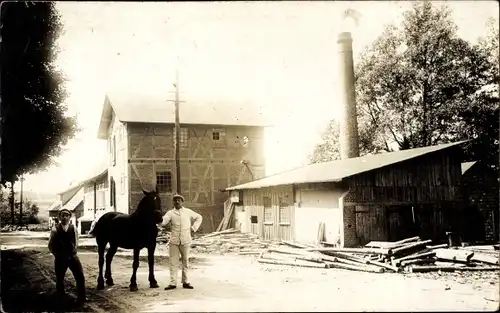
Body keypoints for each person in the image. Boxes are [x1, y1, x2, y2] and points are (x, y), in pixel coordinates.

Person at [161, 194, 202, 290]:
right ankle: (172, 283)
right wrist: (159, 218)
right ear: (173, 202)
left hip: (186, 240)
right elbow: (163, 221)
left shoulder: (188, 212)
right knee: (173, 262)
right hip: (174, 241)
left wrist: (194, 228)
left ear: (182, 202)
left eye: (179, 200)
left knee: (185, 261)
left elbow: (199, 217)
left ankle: (186, 281)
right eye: (175, 200)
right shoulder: (170, 213)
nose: (177, 202)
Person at [48, 208, 87, 305]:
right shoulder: (55, 229)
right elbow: (50, 245)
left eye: (67, 215)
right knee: (60, 278)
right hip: (61, 258)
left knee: (80, 276)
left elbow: (76, 241)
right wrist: (56, 254)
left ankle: (81, 297)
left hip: (72, 257)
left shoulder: (73, 228)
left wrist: (73, 252)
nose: (65, 217)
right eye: (63, 216)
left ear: (70, 217)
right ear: (59, 217)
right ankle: (60, 296)